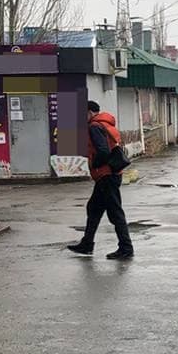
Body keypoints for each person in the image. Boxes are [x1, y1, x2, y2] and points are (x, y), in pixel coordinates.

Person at [67, 101, 134, 260]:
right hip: (110, 175)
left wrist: (95, 164)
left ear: (89, 112)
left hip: (106, 176)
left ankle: (126, 248)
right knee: (94, 208)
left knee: (115, 213)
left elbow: (103, 151)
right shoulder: (105, 124)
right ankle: (87, 244)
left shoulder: (94, 127)